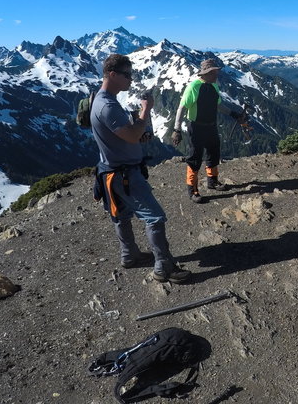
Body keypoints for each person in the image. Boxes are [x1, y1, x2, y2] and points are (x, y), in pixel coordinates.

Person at [90, 53, 191, 284]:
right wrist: (146, 110)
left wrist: (136, 127)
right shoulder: (107, 106)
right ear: (113, 74)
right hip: (124, 174)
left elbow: (127, 135)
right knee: (154, 217)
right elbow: (133, 136)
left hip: (111, 171)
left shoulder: (101, 99)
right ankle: (164, 267)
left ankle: (129, 255)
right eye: (127, 75)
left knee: (121, 215)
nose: (131, 80)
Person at [172, 58, 246, 203]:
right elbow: (182, 107)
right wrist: (177, 129)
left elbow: (218, 105)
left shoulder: (214, 86)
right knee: (195, 157)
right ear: (206, 73)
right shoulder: (194, 87)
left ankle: (212, 181)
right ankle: (192, 190)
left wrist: (233, 114)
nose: (216, 75)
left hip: (211, 126)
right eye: (214, 73)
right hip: (196, 127)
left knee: (213, 153)